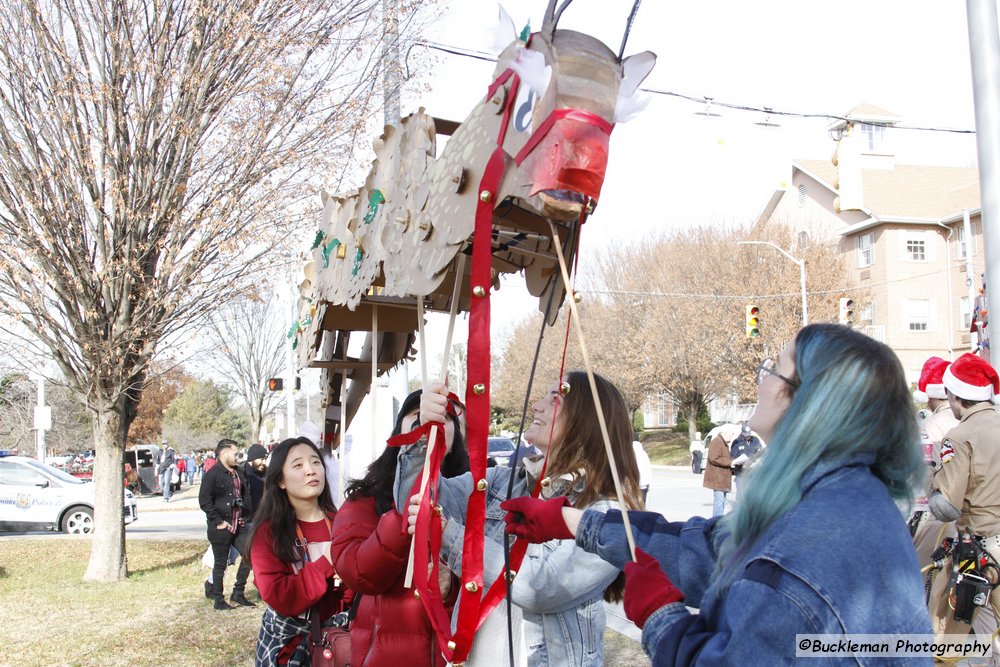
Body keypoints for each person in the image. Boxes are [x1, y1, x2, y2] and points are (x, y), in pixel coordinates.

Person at [502, 324, 930, 663]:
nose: (759, 382)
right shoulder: (830, 499)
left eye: (773, 370)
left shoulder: (821, 538)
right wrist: (573, 522)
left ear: (809, 401)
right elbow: (708, 551)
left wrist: (659, 616)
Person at [398, 371, 643, 667]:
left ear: (587, 420)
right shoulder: (502, 481)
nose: (537, 406)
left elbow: (541, 586)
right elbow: (418, 500)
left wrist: (450, 533)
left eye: (555, 399)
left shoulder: (606, 514)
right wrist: (423, 433)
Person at [330, 390, 469, 667]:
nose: (429, 424)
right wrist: (401, 519)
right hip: (384, 654)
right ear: (399, 432)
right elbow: (358, 573)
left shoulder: (477, 497)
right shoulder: (366, 498)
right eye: (417, 417)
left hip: (455, 652)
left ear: (456, 441)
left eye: (443, 418)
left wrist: (451, 586)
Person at [250, 437, 349, 665]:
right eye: (298, 465)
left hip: (342, 642)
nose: (310, 471)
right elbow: (280, 595)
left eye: (315, 462)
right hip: (291, 648)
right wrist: (328, 564)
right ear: (281, 481)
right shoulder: (268, 533)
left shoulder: (343, 522)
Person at [927, 353, 1000, 657]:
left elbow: (945, 507)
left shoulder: (959, 437)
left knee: (947, 644)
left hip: (980, 557)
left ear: (955, 395)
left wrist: (931, 479)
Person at [199, 439, 255, 610]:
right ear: (223, 454)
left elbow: (245, 495)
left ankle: (238, 592)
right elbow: (204, 500)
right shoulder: (213, 474)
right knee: (220, 563)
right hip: (221, 527)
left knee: (250, 555)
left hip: (239, 525)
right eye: (235, 453)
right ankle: (218, 599)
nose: (237, 457)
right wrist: (218, 521)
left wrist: (246, 516)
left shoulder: (238, 472)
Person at [702, 424, 737, 517]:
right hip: (718, 478)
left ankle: (718, 519)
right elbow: (713, 458)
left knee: (721, 501)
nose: (732, 437)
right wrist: (729, 463)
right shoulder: (717, 442)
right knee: (719, 501)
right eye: (731, 434)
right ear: (725, 433)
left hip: (721, 478)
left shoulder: (723, 443)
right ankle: (716, 521)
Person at [728, 421, 762, 504]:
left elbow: (760, 452)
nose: (748, 436)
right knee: (740, 496)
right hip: (741, 473)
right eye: (746, 435)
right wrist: (738, 461)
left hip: (753, 472)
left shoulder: (756, 440)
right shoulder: (737, 442)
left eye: (749, 434)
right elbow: (733, 456)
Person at [244, 444, 268, 520]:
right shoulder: (241, 473)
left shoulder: (267, 473)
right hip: (247, 521)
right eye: (261, 459)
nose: (264, 462)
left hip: (264, 518)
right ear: (252, 459)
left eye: (265, 459)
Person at [632, 432, 653, 506]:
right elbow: (648, 468)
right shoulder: (643, 453)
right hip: (644, 483)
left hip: (633, 484)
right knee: (642, 506)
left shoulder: (629, 453)